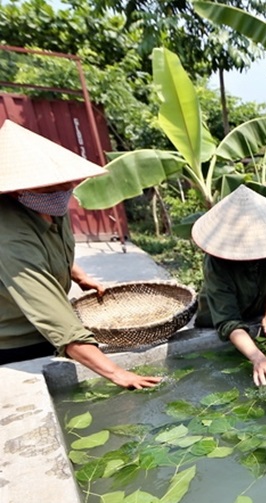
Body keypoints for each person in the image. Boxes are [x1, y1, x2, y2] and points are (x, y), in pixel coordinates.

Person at [0, 119, 161, 388]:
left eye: (64, 183)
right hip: (17, 343)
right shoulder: (11, 239)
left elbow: (51, 247)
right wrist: (117, 373)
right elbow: (61, 326)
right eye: (48, 187)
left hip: (46, 330)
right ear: (16, 190)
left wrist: (79, 274)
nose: (61, 192)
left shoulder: (52, 208)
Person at [192, 184, 266, 386]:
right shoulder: (216, 263)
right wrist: (258, 358)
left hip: (254, 313)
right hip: (218, 321)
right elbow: (228, 322)